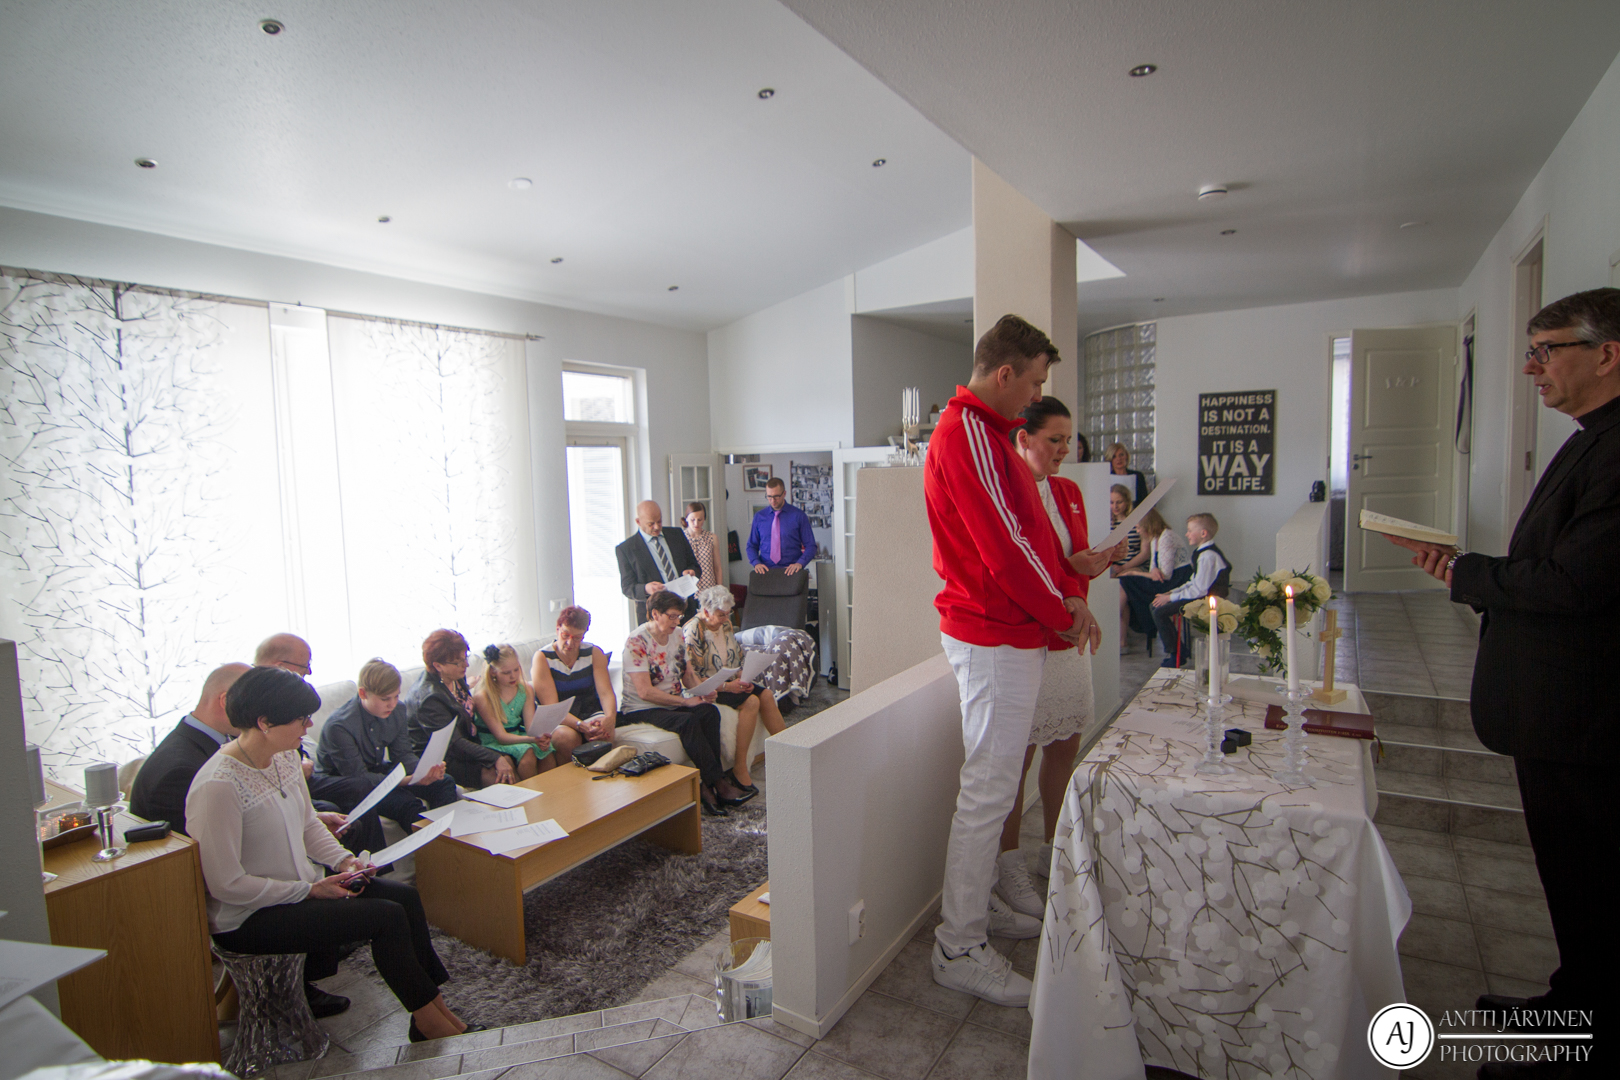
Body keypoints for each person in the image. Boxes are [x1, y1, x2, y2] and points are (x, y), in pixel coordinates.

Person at [1390, 288, 1618, 1069]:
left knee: (1595, 881)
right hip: (1562, 710)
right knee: (1572, 879)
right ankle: (1573, 1000)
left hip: (1587, 712)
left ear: (1607, 355)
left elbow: (1576, 584)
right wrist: (1470, 570)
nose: (1531, 368)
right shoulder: (1592, 438)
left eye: (1546, 350)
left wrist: (1470, 573)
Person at [924, 313, 1100, 1008]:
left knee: (994, 790)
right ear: (1005, 373)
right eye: (1032, 382)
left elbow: (1030, 538)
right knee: (988, 792)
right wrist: (1063, 610)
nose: (1034, 396)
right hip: (992, 633)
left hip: (1009, 633)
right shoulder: (966, 432)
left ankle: (980, 911)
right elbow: (1004, 549)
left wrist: (1065, 594)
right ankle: (958, 945)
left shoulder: (990, 434)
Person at [187, 666, 479, 1043]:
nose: (309, 726)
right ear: (264, 722)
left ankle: (436, 1007)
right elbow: (226, 884)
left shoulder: (284, 758)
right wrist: (310, 890)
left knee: (404, 898)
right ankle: (429, 1022)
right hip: (248, 917)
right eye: (301, 719)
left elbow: (309, 824)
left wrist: (345, 862)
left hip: (299, 891)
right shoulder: (218, 786)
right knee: (385, 917)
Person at [991, 398, 1113, 922]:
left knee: (1065, 746)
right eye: (1055, 440)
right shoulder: (1007, 491)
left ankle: (1052, 848)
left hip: (1067, 641)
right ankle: (1009, 864)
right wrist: (1070, 565)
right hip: (1025, 641)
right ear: (1024, 438)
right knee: (1015, 760)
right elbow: (1017, 568)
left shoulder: (1068, 492)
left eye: (1069, 440)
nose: (1066, 449)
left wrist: (1089, 571)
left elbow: (1072, 571)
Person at [620, 590, 753, 816]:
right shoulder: (637, 641)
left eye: (679, 616)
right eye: (672, 616)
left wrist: (703, 691)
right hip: (642, 708)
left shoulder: (677, 634)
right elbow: (645, 692)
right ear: (655, 614)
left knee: (709, 712)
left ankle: (710, 785)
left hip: (671, 702)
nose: (676, 621)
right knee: (687, 721)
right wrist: (685, 701)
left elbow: (688, 674)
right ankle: (717, 784)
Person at [255, 632, 381, 856]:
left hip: (302, 773)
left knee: (360, 787)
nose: (309, 672)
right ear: (279, 666)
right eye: (305, 666)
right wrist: (294, 768)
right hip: (280, 782)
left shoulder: (288, 693)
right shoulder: (253, 700)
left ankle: (375, 864)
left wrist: (301, 760)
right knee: (335, 813)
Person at [312, 658, 458, 845]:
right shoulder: (339, 726)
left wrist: (426, 770)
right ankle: (434, 851)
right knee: (406, 803)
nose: (392, 704)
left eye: (396, 696)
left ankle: (450, 844)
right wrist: (406, 781)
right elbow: (359, 778)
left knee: (444, 782)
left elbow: (403, 754)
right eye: (385, 699)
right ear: (363, 693)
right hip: (346, 784)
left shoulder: (398, 710)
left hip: (377, 770)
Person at [684, 584, 785, 793]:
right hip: (708, 687)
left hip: (730, 681)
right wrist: (727, 686)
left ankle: (790, 751)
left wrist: (743, 676)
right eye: (721, 614)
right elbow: (692, 675)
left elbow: (736, 658)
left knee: (766, 694)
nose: (725, 618)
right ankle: (740, 769)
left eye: (727, 614)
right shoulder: (694, 630)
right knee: (751, 701)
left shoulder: (726, 625)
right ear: (706, 611)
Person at [131, 663, 250, 836]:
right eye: (256, 705)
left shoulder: (218, 738)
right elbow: (198, 845)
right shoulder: (180, 773)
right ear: (226, 701)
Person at [406, 629, 511, 789]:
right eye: (458, 662)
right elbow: (454, 743)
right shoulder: (429, 698)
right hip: (442, 760)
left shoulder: (454, 676)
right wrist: (494, 757)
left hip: (465, 747)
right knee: (497, 774)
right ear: (438, 665)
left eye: (465, 658)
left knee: (510, 761)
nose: (466, 665)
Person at [531, 606, 618, 765]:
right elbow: (552, 707)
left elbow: (606, 693)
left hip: (588, 710)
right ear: (557, 629)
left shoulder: (594, 653)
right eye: (565, 635)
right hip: (559, 717)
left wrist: (610, 719)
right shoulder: (542, 657)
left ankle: (600, 777)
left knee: (604, 733)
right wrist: (580, 725)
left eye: (577, 638)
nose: (570, 643)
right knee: (566, 738)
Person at [1150, 513, 1231, 667]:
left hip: (1206, 600)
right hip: (1199, 595)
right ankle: (1180, 651)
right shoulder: (1202, 552)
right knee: (1155, 605)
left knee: (1159, 611)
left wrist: (1170, 598)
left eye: (1189, 530)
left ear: (1203, 533)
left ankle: (1176, 654)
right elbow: (1193, 581)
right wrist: (1172, 593)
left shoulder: (1207, 556)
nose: (1186, 534)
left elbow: (1199, 591)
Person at [473, 644, 555, 780]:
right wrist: (532, 740)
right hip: (493, 740)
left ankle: (551, 788)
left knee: (546, 750)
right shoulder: (484, 696)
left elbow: (530, 727)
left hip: (517, 734)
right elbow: (501, 736)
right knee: (528, 752)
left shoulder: (525, 689)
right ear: (493, 672)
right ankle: (529, 789)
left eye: (516, 670)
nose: (513, 676)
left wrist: (541, 737)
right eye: (506, 673)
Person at [1118, 508, 1193, 655]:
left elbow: (1165, 575)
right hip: (1165, 579)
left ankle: (1117, 622)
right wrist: (1151, 571)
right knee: (1125, 582)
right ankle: (1122, 628)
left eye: (1138, 527)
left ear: (1147, 525)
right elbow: (1154, 568)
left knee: (1126, 580)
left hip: (1176, 581)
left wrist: (1133, 572)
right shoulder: (1155, 538)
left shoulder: (1166, 537)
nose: (1137, 531)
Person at [616, 500, 701, 623]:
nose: (656, 527)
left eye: (659, 521)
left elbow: (695, 565)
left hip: (686, 610)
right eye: (651, 524)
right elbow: (627, 587)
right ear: (638, 522)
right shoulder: (626, 549)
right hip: (655, 617)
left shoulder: (677, 534)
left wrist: (692, 571)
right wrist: (646, 589)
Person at [746, 477, 816, 576]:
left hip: (792, 572)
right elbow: (751, 545)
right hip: (766, 572)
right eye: (769, 497)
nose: (772, 500)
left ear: (784, 494)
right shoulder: (759, 517)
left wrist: (800, 563)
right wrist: (756, 563)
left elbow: (811, 546)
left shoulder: (799, 516)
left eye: (776, 496)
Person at [683, 502, 725, 591]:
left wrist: (719, 589)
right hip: (689, 589)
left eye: (700, 520)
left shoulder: (711, 537)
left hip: (709, 588)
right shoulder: (681, 538)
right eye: (692, 520)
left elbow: (717, 568)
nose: (696, 523)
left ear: (704, 519)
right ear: (686, 518)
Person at [1108, 485, 1147, 574]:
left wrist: (1124, 567)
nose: (1115, 506)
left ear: (1127, 502)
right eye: (1111, 502)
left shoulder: (1138, 521)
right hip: (1113, 567)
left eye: (1119, 502)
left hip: (1136, 566)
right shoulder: (1106, 523)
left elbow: (1145, 552)